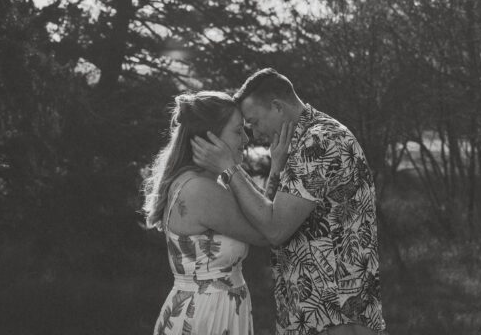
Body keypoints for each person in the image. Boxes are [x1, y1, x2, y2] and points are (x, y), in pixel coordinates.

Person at [191, 69, 387, 335]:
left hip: (334, 313)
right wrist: (276, 168)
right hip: (317, 309)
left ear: (277, 107)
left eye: (255, 121)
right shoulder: (308, 139)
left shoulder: (318, 142)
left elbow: (274, 229)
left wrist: (229, 168)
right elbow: (270, 214)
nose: (255, 134)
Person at [143, 90, 292, 335]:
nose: (246, 139)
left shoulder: (205, 184)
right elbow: (267, 233)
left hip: (214, 309)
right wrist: (229, 168)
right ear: (210, 137)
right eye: (237, 131)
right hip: (206, 316)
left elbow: (262, 215)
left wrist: (274, 167)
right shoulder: (201, 191)